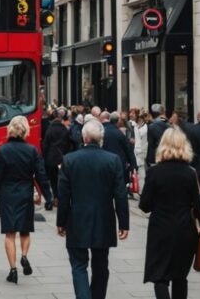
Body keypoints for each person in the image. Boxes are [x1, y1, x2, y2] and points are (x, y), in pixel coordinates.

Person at [57, 120, 130, 299]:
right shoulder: (113, 160)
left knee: (79, 266)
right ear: (100, 139)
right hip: (103, 219)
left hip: (77, 218)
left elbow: (64, 196)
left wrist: (61, 222)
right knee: (100, 266)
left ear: (84, 137)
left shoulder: (69, 160)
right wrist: (124, 223)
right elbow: (120, 194)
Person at [139, 127, 200, 299]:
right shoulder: (190, 173)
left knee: (160, 276)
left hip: (160, 229)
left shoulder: (154, 172)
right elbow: (199, 203)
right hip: (186, 229)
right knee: (180, 276)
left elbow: (145, 205)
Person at [0, 115, 52, 284]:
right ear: (26, 130)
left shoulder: (2, 150)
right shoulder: (32, 150)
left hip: (8, 194)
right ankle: (24, 256)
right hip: (26, 193)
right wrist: (48, 196)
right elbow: (41, 175)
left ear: (10, 129)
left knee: (10, 233)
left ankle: (13, 270)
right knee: (25, 230)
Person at [42, 108, 72, 211]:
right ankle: (61, 197)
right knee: (62, 179)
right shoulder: (65, 130)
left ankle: (55, 197)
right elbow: (69, 144)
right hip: (62, 158)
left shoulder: (49, 130)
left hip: (51, 158)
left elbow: (45, 145)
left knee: (53, 180)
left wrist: (44, 157)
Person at [101, 111, 137, 194]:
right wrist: (133, 165)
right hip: (119, 163)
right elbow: (128, 150)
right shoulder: (119, 134)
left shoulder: (103, 131)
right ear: (118, 121)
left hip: (105, 163)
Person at [146, 104, 171, 170]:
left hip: (155, 157)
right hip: (168, 156)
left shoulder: (151, 126)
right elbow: (164, 120)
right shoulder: (168, 124)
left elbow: (150, 144)